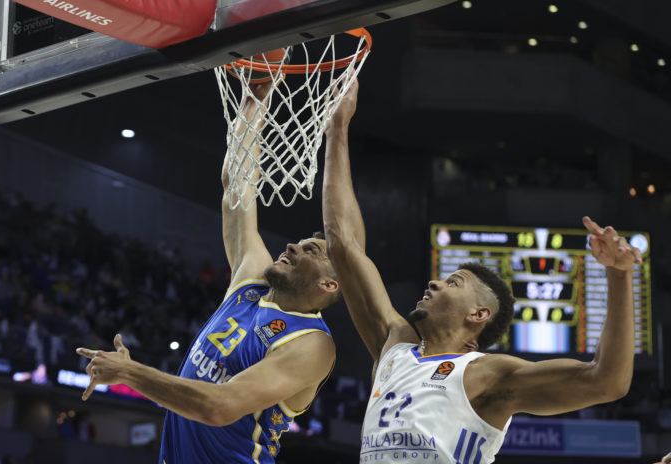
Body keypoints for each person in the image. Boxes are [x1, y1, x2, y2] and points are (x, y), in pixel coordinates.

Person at [322, 79, 642, 464]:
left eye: (453, 282)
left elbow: (606, 382)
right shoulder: (394, 346)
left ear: (478, 314)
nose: (434, 281)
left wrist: (619, 275)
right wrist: (337, 129)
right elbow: (343, 245)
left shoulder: (487, 375)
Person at [76, 81, 340, 464]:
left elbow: (220, 407)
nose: (292, 247)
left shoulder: (311, 343)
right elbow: (236, 187)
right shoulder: (252, 282)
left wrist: (131, 373)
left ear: (328, 284)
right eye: (298, 242)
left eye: (310, 250)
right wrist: (255, 100)